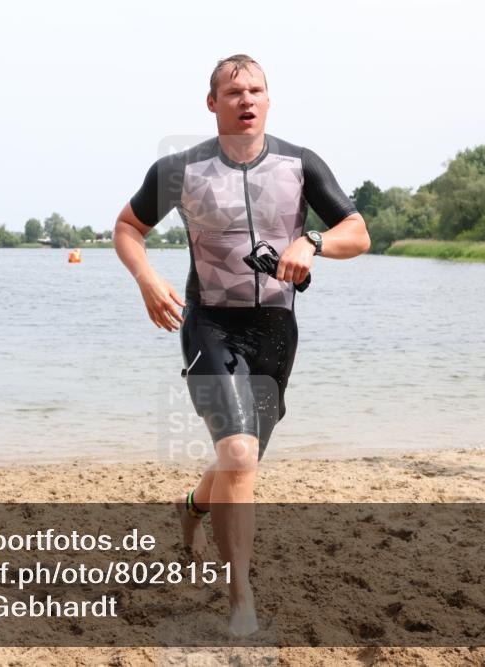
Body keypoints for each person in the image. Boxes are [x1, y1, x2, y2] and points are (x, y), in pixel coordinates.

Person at [113, 55, 370, 635]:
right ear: (213, 103)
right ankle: (240, 598)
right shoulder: (179, 169)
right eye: (233, 92)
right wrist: (147, 279)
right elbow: (128, 228)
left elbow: (358, 233)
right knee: (239, 456)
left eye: (255, 90)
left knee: (241, 460)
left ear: (268, 100)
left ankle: (191, 508)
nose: (245, 100)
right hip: (210, 323)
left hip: (276, 330)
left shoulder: (301, 163)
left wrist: (313, 241)